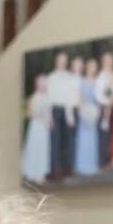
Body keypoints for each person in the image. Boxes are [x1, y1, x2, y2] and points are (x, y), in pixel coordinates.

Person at [45, 51, 73, 179]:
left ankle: (65, 168)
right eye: (60, 61)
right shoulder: (51, 77)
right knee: (55, 141)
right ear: (56, 62)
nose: (62, 63)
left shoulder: (68, 76)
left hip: (65, 110)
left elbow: (69, 97)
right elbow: (48, 98)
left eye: (64, 61)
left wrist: (70, 116)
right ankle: (54, 170)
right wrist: (49, 117)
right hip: (54, 110)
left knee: (65, 140)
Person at [21, 75, 51, 184]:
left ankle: (40, 174)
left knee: (43, 149)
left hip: (45, 127)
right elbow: (33, 113)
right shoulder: (34, 97)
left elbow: (49, 111)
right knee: (34, 148)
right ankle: (31, 174)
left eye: (44, 82)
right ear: (37, 84)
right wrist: (44, 120)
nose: (43, 84)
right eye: (41, 82)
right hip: (37, 126)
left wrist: (49, 121)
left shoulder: (47, 96)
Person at [73, 58, 100, 176]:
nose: (92, 69)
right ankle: (82, 166)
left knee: (92, 139)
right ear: (87, 67)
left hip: (94, 112)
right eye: (90, 66)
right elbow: (79, 98)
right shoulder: (82, 81)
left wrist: (97, 111)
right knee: (83, 138)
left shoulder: (98, 82)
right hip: (84, 112)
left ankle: (91, 165)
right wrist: (82, 111)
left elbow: (100, 98)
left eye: (94, 67)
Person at [94, 51, 113, 168]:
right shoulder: (101, 76)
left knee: (110, 133)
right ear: (103, 62)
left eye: (110, 60)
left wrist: (112, 100)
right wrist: (107, 104)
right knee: (102, 133)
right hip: (103, 107)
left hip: (112, 106)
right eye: (107, 60)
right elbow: (99, 94)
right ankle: (101, 160)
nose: (109, 63)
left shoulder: (112, 75)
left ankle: (108, 158)